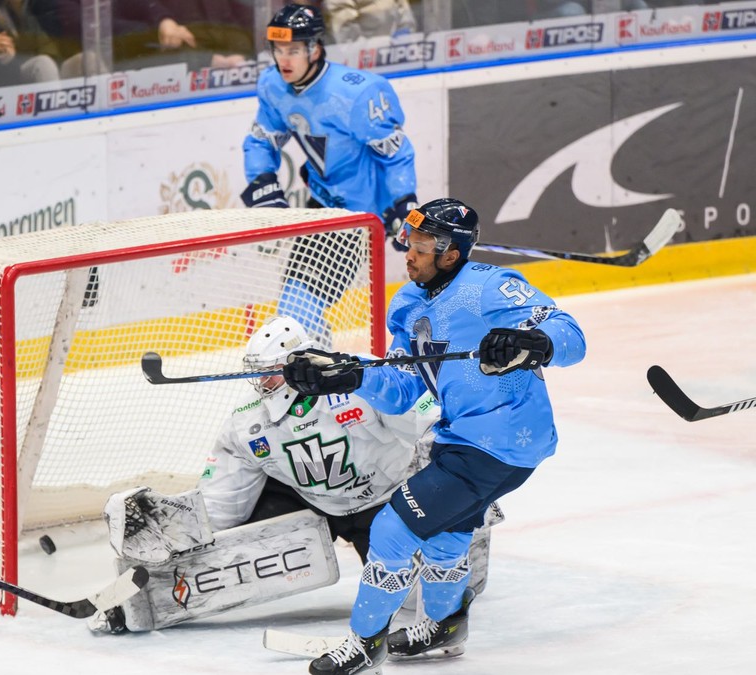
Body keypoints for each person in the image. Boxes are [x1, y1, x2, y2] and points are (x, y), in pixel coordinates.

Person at [281, 198, 586, 673]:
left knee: (391, 527)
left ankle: (365, 644)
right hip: (460, 438)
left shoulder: (490, 287)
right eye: (410, 243)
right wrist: (351, 374)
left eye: (422, 247)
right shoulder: (406, 304)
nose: (410, 254)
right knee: (446, 532)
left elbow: (571, 335)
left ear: (450, 252)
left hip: (501, 440)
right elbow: (404, 387)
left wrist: (535, 343)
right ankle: (445, 627)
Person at [89, 316, 497, 634]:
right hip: (307, 500)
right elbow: (223, 505)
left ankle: (468, 545)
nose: (259, 385)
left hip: (385, 499)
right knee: (226, 553)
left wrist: (460, 484)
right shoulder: (248, 423)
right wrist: (177, 528)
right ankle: (133, 603)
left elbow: (430, 423)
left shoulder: (362, 378)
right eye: (255, 374)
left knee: (416, 602)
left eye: (266, 373)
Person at [242, 4, 418, 239]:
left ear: (314, 50)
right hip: (322, 199)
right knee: (299, 277)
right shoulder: (273, 85)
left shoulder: (358, 93)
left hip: (365, 212)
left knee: (305, 277)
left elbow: (394, 154)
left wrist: (405, 205)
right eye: (278, 49)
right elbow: (262, 139)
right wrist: (262, 179)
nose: (283, 60)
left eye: (293, 50)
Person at [323, 0, 417, 42]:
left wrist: (406, 39)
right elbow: (348, 40)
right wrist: (387, 44)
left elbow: (406, 19)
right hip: (366, 66)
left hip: (399, 58)